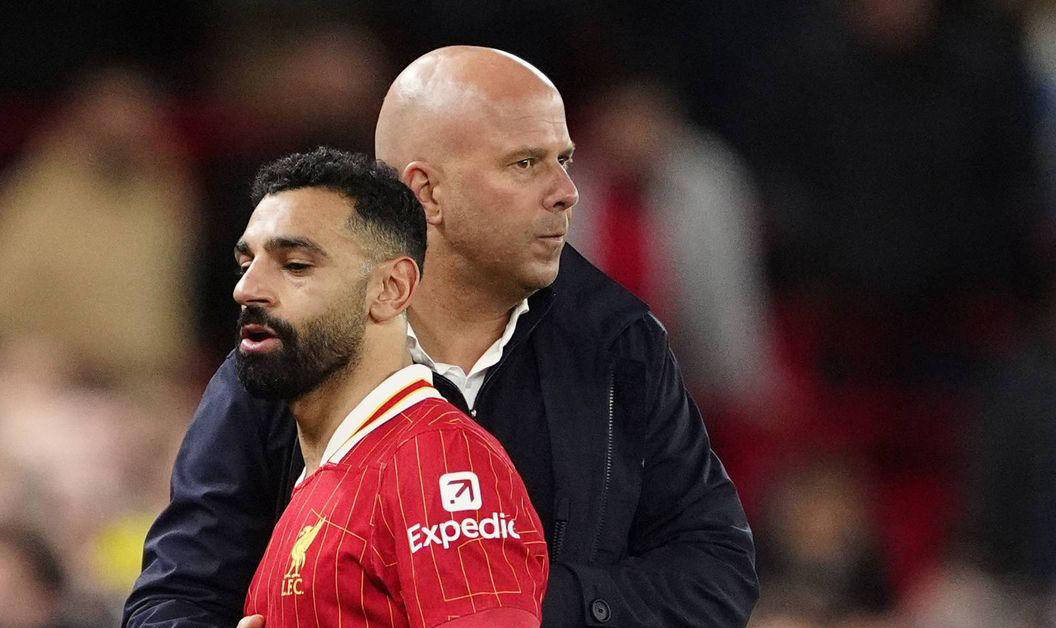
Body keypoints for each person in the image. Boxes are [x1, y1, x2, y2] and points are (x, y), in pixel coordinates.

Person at [125, 46, 758, 627]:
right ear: (424, 191)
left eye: (563, 160)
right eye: (526, 164)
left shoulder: (617, 341)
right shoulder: (294, 346)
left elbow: (717, 573)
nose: (567, 193)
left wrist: (517, 597)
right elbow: (175, 595)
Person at [230, 147, 547, 626]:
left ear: (391, 288)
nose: (246, 289)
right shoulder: (331, 474)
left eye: (295, 265)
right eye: (246, 263)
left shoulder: (438, 461)